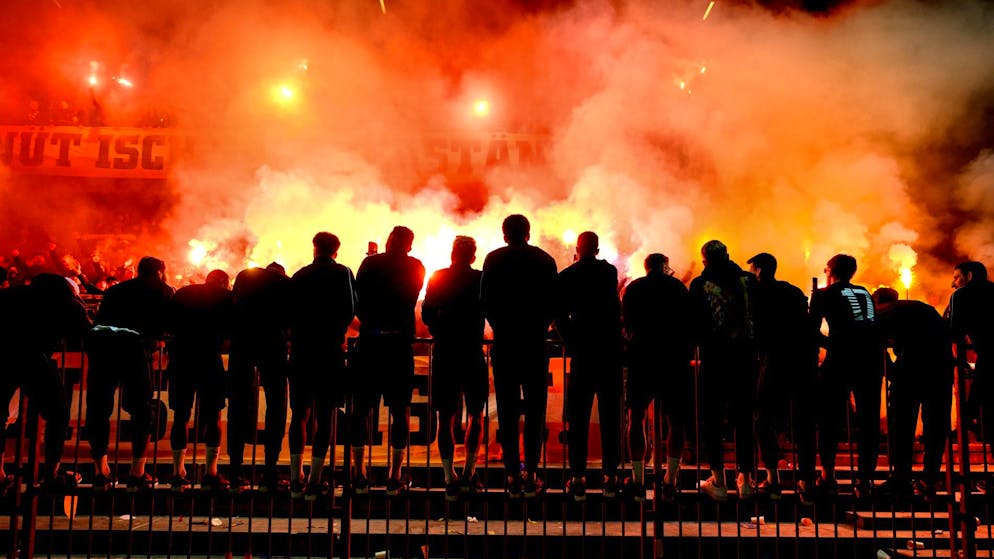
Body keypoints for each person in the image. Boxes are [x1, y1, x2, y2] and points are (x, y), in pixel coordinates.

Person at [481, 214, 558, 498]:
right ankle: (534, 471)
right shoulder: (545, 260)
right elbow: (554, 301)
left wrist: (501, 325)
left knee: (507, 408)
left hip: (506, 342)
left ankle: (513, 473)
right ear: (528, 232)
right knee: (536, 408)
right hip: (535, 343)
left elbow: (485, 300)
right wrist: (541, 325)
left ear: (504, 234)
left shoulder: (493, 260)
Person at [85, 256, 174, 491]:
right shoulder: (163, 290)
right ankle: (137, 472)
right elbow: (168, 323)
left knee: (98, 409)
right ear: (160, 271)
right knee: (142, 410)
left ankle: (100, 471)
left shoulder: (116, 290)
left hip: (101, 348)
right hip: (133, 349)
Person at [0, 274, 91, 494]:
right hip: (33, 358)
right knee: (58, 413)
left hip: (2, 356)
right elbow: (87, 334)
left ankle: (0, 475)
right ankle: (51, 473)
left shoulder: (11, 294)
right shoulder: (68, 303)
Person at [353, 226, 425, 496]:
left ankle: (359, 473)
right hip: (398, 344)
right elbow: (411, 298)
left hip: (370, 342)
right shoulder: (416, 266)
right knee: (400, 410)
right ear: (409, 245)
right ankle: (395, 475)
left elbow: (357, 299)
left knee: (360, 410)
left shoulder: (371, 263)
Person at [555, 231, 624, 501]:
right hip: (608, 350)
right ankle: (610, 477)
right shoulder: (608, 272)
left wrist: (570, 339)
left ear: (578, 248)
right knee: (610, 416)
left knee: (578, 416)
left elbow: (560, 314)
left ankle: (578, 477)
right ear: (597, 248)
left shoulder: (568, 275)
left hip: (582, 352)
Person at [810, 254, 884, 499]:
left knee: (829, 419)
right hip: (870, 362)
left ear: (830, 270)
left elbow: (811, 330)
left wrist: (831, 343)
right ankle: (865, 480)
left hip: (840, 361)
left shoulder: (823, 294)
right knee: (868, 423)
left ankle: (827, 476)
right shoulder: (864, 292)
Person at [288, 233, 356, 499]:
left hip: (302, 352)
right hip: (329, 353)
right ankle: (316, 479)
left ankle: (295, 477)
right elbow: (350, 309)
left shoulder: (299, 275)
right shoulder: (342, 273)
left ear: (314, 248)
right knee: (325, 415)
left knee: (299, 414)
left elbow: (290, 311)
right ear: (336, 251)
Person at [689, 240, 758, 501]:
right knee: (744, 419)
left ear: (706, 260)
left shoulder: (699, 285)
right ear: (728, 255)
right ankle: (747, 481)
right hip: (746, 359)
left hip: (714, 359)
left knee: (712, 420)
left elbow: (693, 324)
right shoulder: (749, 282)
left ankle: (719, 481)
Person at [747, 252, 818, 502]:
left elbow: (752, 325)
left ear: (759, 270)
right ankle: (806, 481)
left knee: (763, 418)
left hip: (774, 359)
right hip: (801, 361)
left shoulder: (756, 292)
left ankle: (773, 478)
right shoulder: (794, 291)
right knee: (803, 423)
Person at [622, 253, 692, 502]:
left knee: (636, 417)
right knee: (676, 422)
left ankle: (639, 481)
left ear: (646, 267)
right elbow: (688, 322)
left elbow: (626, 322)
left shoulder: (635, 288)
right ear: (665, 266)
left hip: (642, 357)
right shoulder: (677, 287)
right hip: (674, 360)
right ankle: (670, 481)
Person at [422, 236, 487, 500]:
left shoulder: (438, 277)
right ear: (473, 256)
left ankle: (449, 477)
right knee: (476, 414)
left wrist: (440, 327)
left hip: (446, 351)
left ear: (452, 254)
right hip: (472, 351)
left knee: (444, 418)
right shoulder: (481, 279)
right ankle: (470, 474)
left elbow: (427, 314)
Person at [872, 287, 952, 500]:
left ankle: (901, 478)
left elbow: (873, 343)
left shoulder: (881, 312)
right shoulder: (924, 308)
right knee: (936, 426)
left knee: (901, 426)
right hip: (940, 371)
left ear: (877, 300)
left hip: (909, 371)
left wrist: (889, 369)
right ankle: (930, 479)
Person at [166, 270, 235, 492]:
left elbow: (168, 324)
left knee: (180, 416)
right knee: (213, 415)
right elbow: (231, 330)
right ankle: (211, 473)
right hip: (208, 359)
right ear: (224, 283)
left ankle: (178, 473)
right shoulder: (225, 297)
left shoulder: (184, 293)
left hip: (181, 358)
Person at [227, 262, 291, 492]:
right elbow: (290, 315)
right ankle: (270, 470)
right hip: (273, 345)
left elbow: (232, 305)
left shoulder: (245, 275)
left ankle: (235, 470)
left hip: (242, 344)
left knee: (238, 403)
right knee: (276, 404)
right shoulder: (284, 282)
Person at [947, 261, 994, 490]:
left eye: (956, 277)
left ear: (969, 275)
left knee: (976, 412)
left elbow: (953, 331)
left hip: (989, 358)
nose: (953, 283)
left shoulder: (963, 295)